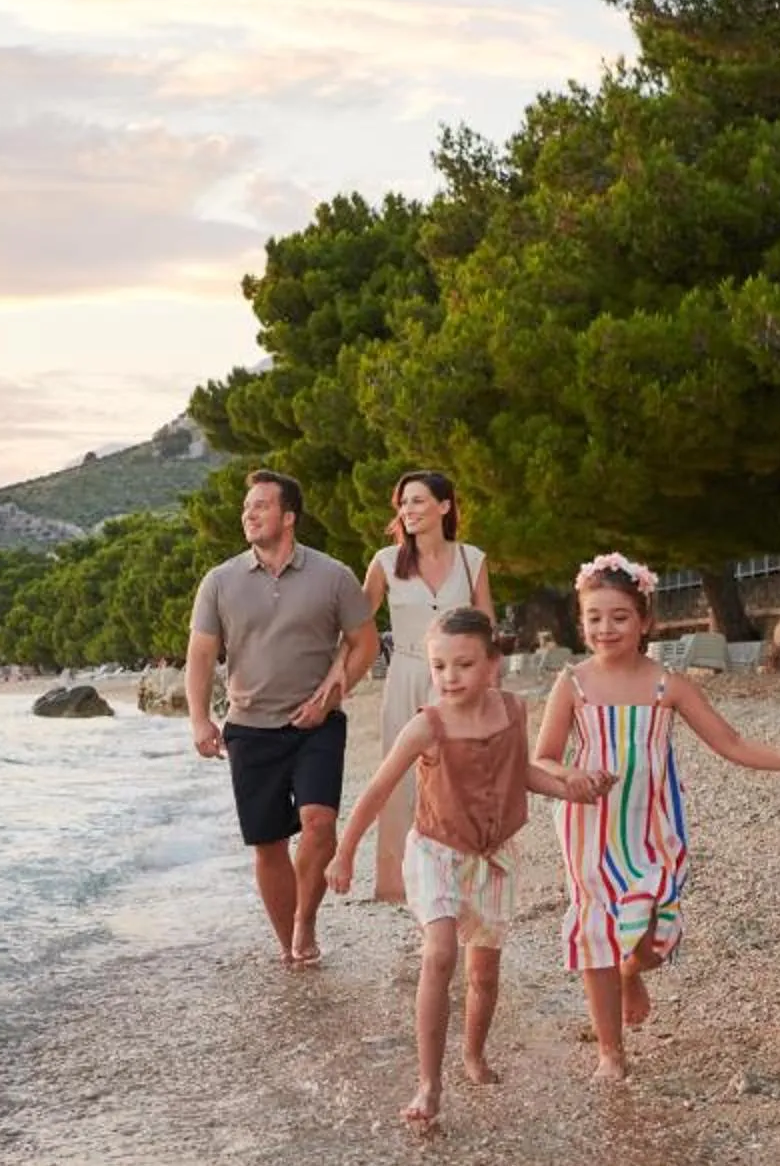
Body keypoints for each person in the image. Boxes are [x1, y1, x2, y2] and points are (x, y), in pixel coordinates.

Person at [536, 552, 780, 1086]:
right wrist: (573, 776)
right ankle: (610, 1054)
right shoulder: (573, 684)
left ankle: (634, 972)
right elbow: (541, 757)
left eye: (619, 616)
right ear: (581, 620)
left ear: (644, 621)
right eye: (594, 617)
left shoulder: (669, 686)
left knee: (653, 940)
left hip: (653, 827)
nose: (605, 628)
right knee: (596, 932)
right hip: (588, 827)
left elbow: (729, 742)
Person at [330, 607, 600, 1128]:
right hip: (436, 851)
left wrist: (571, 789)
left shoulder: (513, 712)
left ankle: (473, 1054)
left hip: (494, 856)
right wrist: (345, 853)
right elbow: (378, 790)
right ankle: (428, 1084)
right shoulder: (426, 726)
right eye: (439, 666)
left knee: (484, 971)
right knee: (439, 954)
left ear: (493, 665)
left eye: (464, 664)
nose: (450, 677)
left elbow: (520, 773)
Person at [187, 470, 380, 968]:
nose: (248, 514)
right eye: (246, 507)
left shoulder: (333, 575)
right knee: (268, 843)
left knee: (319, 823)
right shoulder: (220, 581)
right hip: (249, 727)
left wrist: (332, 694)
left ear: (288, 516)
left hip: (315, 725)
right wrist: (200, 721)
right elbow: (202, 656)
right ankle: (288, 947)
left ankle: (305, 921)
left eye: (261, 506)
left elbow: (365, 643)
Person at [356, 469, 494, 905]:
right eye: (403, 503)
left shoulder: (473, 558)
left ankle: (459, 875)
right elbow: (357, 625)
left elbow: (486, 627)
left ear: (444, 506)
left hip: (458, 680)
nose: (408, 510)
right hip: (407, 676)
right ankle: (403, 885)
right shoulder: (383, 563)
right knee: (401, 783)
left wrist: (490, 690)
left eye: (417, 501)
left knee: (459, 779)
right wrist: (335, 677)